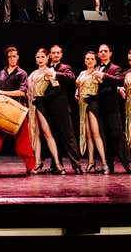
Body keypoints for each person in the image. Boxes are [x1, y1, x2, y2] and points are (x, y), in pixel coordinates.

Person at [0, 46, 36, 175]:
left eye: (14, 56)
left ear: (18, 57)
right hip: (2, 110)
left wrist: (3, 92)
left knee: (24, 140)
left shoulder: (22, 73)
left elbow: (22, 92)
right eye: (10, 56)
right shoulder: (2, 72)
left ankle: (31, 166)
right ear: (7, 58)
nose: (12, 59)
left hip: (17, 111)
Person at [90, 44, 131, 174]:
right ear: (98, 55)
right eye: (101, 51)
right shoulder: (95, 68)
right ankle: (108, 165)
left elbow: (120, 80)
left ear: (110, 53)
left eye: (105, 51)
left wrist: (103, 76)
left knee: (117, 136)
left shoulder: (115, 68)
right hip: (98, 107)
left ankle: (128, 164)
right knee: (104, 137)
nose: (103, 53)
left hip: (111, 107)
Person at [40, 45, 83, 174]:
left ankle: (76, 166)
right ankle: (55, 165)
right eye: (53, 53)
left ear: (61, 54)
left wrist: (53, 73)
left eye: (58, 53)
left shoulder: (65, 68)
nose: (56, 55)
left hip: (62, 108)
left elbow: (71, 77)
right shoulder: (45, 68)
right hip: (48, 108)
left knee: (69, 138)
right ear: (50, 55)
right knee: (53, 138)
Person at [27, 48, 65, 174]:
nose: (40, 59)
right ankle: (37, 163)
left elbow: (57, 89)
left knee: (47, 134)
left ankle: (58, 164)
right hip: (32, 106)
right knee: (35, 135)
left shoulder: (49, 71)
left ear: (47, 57)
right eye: (38, 57)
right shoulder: (32, 73)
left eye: (42, 57)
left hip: (41, 105)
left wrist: (43, 99)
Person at [75, 51, 109, 174]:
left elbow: (106, 87)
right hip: (82, 105)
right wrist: (77, 92)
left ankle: (105, 163)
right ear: (85, 61)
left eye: (92, 59)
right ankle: (90, 162)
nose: (89, 61)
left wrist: (96, 96)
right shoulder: (82, 73)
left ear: (95, 61)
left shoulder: (97, 73)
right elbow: (79, 86)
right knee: (88, 135)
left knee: (95, 134)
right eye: (87, 59)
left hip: (92, 104)